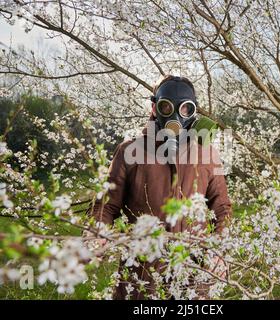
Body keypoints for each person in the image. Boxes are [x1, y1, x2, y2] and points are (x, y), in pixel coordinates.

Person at [87, 75, 232, 299]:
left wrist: (219, 249)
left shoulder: (208, 155)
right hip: (141, 277)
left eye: (185, 109)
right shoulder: (130, 152)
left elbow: (221, 208)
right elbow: (106, 205)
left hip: (193, 277)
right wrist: (96, 233)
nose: (175, 116)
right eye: (166, 106)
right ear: (154, 108)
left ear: (193, 113)